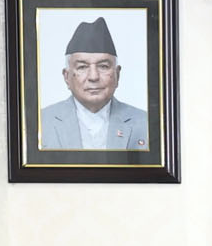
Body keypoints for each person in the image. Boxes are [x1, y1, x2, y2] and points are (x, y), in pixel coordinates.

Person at [36, 17, 149, 151]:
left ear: (117, 75)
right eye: (82, 67)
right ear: (66, 77)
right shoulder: (40, 122)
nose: (93, 77)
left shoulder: (146, 123)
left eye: (103, 66)